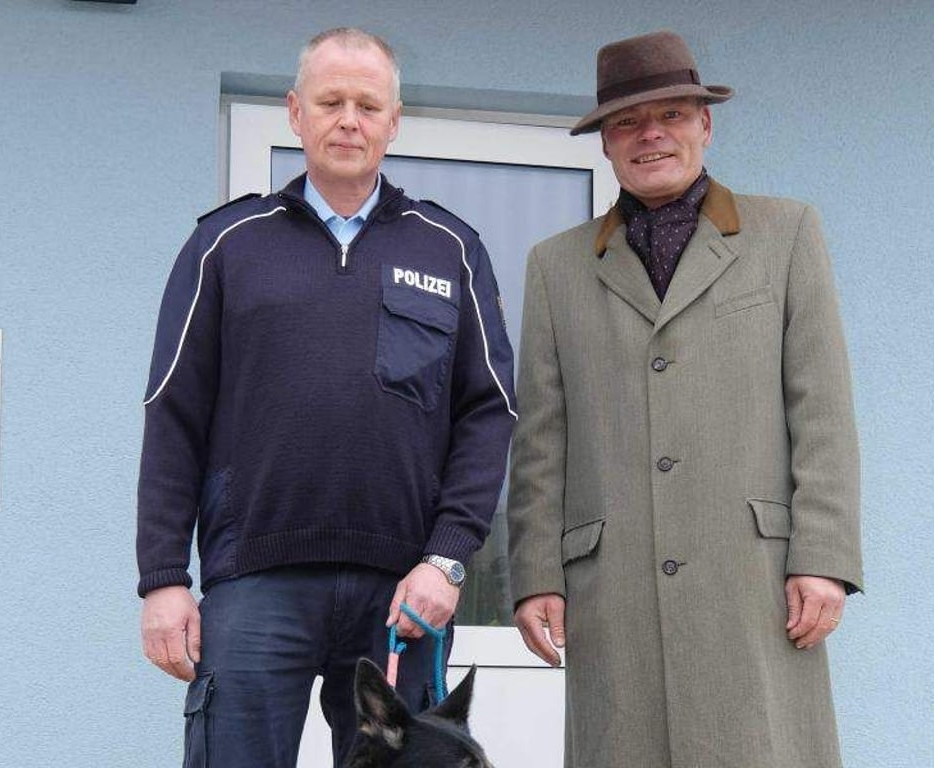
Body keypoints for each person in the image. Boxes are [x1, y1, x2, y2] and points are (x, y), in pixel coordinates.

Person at [136, 27, 515, 768]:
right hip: (255, 585)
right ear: (294, 112)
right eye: (330, 100)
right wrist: (162, 579)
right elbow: (172, 413)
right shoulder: (226, 243)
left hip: (404, 593)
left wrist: (448, 560)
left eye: (368, 104)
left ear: (394, 121)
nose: (349, 119)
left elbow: (487, 413)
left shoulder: (450, 248)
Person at [507, 30, 862, 768]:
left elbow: (821, 408)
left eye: (671, 114)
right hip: (614, 589)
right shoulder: (555, 268)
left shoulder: (786, 233)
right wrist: (536, 573)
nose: (652, 135)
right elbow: (543, 437)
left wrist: (823, 556)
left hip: (754, 580)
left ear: (706, 124)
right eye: (629, 122)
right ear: (606, 143)